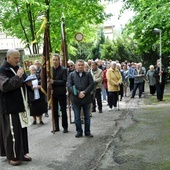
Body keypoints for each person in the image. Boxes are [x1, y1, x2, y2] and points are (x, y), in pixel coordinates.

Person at [0, 49, 31, 166]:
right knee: (12, 133)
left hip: (20, 105)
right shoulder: (2, 71)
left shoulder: (18, 68)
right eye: (15, 58)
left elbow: (22, 81)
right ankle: (12, 155)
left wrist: (28, 82)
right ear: (8, 58)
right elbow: (5, 86)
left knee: (22, 131)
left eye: (19, 58)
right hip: (9, 107)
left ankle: (21, 153)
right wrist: (18, 77)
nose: (18, 60)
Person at [67, 59, 94, 138]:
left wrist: (84, 92)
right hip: (76, 99)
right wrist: (78, 93)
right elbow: (69, 86)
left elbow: (91, 85)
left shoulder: (88, 74)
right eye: (79, 65)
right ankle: (79, 131)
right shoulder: (71, 75)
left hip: (86, 99)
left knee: (87, 117)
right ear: (76, 66)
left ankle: (87, 132)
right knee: (77, 117)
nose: (80, 66)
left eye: (82, 65)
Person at [50, 53, 68, 133]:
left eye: (56, 60)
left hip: (61, 92)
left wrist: (54, 82)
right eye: (53, 60)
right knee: (54, 111)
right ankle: (56, 126)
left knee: (63, 111)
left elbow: (64, 81)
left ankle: (65, 127)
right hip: (53, 93)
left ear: (59, 61)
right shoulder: (50, 70)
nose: (55, 61)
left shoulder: (63, 70)